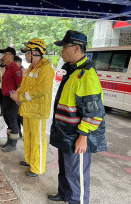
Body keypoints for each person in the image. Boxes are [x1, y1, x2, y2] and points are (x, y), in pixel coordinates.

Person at [48, 30, 107, 204]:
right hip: (65, 132)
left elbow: (94, 113)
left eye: (64, 47)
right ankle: (64, 194)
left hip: (76, 135)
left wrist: (83, 136)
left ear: (76, 48)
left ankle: (76, 200)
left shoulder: (86, 75)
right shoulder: (73, 71)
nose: (61, 51)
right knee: (65, 170)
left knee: (77, 177)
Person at [10, 39, 55, 177]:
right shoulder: (31, 68)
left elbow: (40, 90)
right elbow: (24, 86)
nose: (25, 56)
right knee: (28, 137)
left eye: (27, 53)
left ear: (35, 52)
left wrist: (21, 98)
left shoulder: (46, 69)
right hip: (28, 109)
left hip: (38, 111)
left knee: (37, 140)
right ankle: (30, 160)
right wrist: (18, 94)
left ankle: (37, 168)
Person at [0, 47, 23, 152]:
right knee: (7, 119)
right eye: (3, 54)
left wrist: (16, 96)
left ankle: (13, 144)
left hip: (12, 99)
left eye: (5, 54)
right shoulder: (7, 68)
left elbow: (20, 86)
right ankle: (9, 141)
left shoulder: (15, 69)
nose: (3, 56)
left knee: (13, 121)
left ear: (12, 56)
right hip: (5, 97)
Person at [14, 56, 24, 138]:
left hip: (21, 97)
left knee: (21, 117)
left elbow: (20, 85)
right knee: (16, 116)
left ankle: (26, 133)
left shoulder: (23, 71)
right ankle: (19, 132)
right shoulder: (13, 70)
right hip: (15, 96)